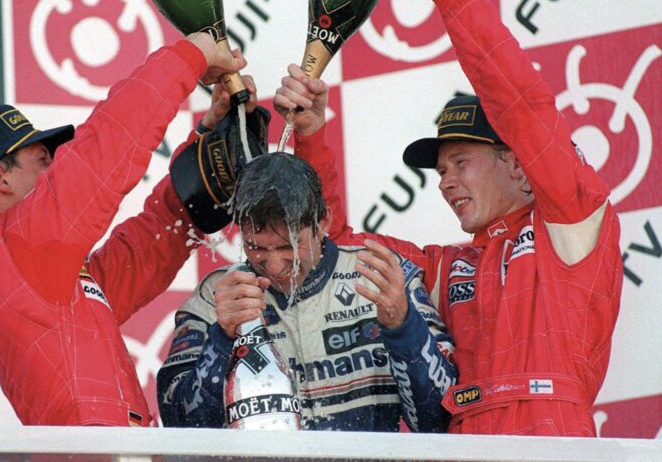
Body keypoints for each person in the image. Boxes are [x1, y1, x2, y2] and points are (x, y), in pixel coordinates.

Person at [278, 0, 623, 437]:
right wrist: (311, 135)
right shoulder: (447, 266)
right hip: (459, 442)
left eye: (461, 162)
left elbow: (519, 100)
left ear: (516, 162)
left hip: (551, 435)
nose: (446, 182)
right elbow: (338, 246)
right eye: (441, 171)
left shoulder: (572, 218)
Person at [0, 32, 252, 426]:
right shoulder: (14, 246)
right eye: (43, 159)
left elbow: (144, 252)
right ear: (0, 178)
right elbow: (106, 146)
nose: (56, 166)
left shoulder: (34, 273)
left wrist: (205, 144)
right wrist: (190, 56)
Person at [156, 151, 456, 432]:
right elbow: (181, 428)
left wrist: (404, 328)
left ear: (323, 221)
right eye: (256, 248)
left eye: (289, 246)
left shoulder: (380, 276)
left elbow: (439, 420)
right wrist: (222, 340)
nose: (273, 265)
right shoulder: (216, 296)